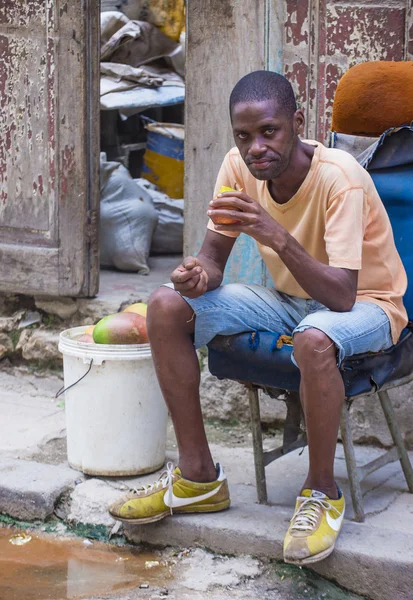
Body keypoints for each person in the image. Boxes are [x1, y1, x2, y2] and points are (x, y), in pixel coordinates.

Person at [109, 71, 408, 565]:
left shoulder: (340, 177)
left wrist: (276, 236)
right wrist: (194, 275)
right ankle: (198, 476)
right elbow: (213, 259)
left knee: (314, 337)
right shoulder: (236, 167)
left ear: (296, 122)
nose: (255, 148)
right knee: (165, 307)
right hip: (292, 302)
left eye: (269, 131)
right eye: (244, 136)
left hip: (369, 307)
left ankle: (320, 493)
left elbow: (340, 296)